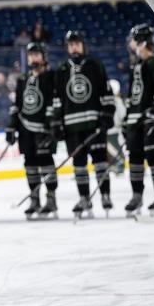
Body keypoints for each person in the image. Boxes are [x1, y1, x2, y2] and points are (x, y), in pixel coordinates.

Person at [51, 30, 115, 218]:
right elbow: (57, 100)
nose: (74, 47)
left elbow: (107, 92)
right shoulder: (62, 69)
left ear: (83, 45)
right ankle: (84, 198)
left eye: (77, 43)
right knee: (79, 165)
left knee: (100, 162)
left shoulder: (95, 65)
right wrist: (56, 122)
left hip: (94, 125)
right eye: (71, 45)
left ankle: (105, 195)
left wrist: (107, 115)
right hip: (72, 128)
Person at [123, 24, 154, 216]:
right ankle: (137, 195)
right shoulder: (137, 66)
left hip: (153, 122)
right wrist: (128, 121)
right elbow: (133, 97)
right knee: (135, 159)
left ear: (142, 42)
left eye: (134, 40)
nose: (131, 43)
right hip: (136, 123)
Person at [7, 43, 58, 219]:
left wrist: (52, 125)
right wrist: (11, 126)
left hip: (43, 128)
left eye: (37, 55)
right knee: (29, 164)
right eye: (31, 55)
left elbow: (54, 101)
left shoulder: (51, 76)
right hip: (25, 129)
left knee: (46, 162)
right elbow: (17, 106)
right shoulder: (22, 79)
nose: (33, 58)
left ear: (44, 57)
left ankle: (51, 199)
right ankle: (34, 198)